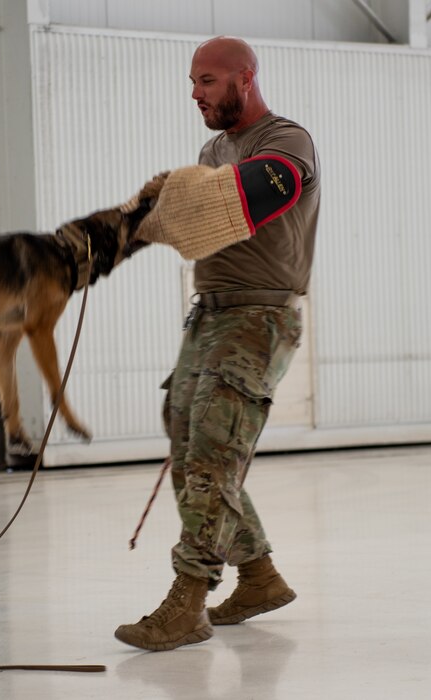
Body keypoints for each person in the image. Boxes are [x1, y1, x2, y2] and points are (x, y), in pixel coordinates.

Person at [114, 36, 322, 652]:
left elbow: (256, 192)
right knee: (191, 448)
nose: (196, 93)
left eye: (207, 81)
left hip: (259, 319)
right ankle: (258, 576)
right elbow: (195, 216)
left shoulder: (286, 140)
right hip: (209, 316)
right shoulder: (214, 149)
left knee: (212, 455)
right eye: (192, 82)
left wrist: (169, 202)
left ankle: (187, 603)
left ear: (245, 79)